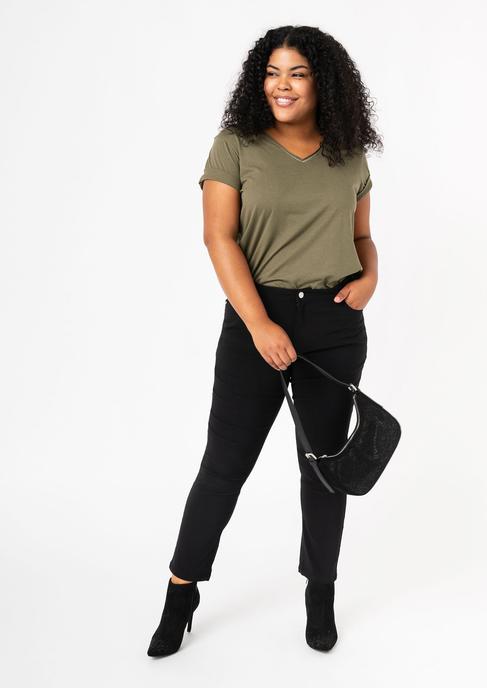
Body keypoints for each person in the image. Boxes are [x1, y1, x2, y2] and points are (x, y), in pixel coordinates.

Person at [147, 24, 383, 657]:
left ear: (322, 83)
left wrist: (370, 278)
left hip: (334, 325)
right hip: (258, 317)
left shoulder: (349, 153)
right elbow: (218, 236)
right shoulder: (235, 146)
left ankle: (320, 592)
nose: (282, 85)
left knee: (324, 473)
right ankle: (180, 592)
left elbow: (362, 238)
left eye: (297, 73)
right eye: (272, 72)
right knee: (223, 467)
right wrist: (259, 324)